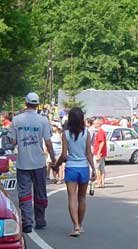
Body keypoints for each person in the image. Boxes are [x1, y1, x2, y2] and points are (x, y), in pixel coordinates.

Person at [8, 92, 56, 233]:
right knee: (40, 193)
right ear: (37, 104)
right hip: (39, 162)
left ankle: (27, 222)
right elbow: (48, 142)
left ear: (26, 103)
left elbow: (13, 141)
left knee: (25, 193)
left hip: (23, 163)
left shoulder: (16, 120)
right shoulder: (43, 120)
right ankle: (40, 220)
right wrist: (53, 160)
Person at [56, 107, 96, 237]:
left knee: (72, 197)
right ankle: (81, 224)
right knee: (82, 198)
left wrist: (56, 165)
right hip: (84, 167)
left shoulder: (66, 134)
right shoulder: (86, 134)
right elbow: (89, 153)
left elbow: (63, 154)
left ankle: (76, 226)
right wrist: (94, 169)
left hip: (71, 167)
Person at [92, 118, 107, 189]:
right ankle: (102, 182)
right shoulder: (102, 131)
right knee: (102, 168)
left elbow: (102, 142)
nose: (94, 124)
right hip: (102, 153)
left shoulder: (100, 132)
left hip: (99, 153)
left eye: (95, 123)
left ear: (98, 124)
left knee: (97, 168)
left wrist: (98, 152)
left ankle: (99, 182)